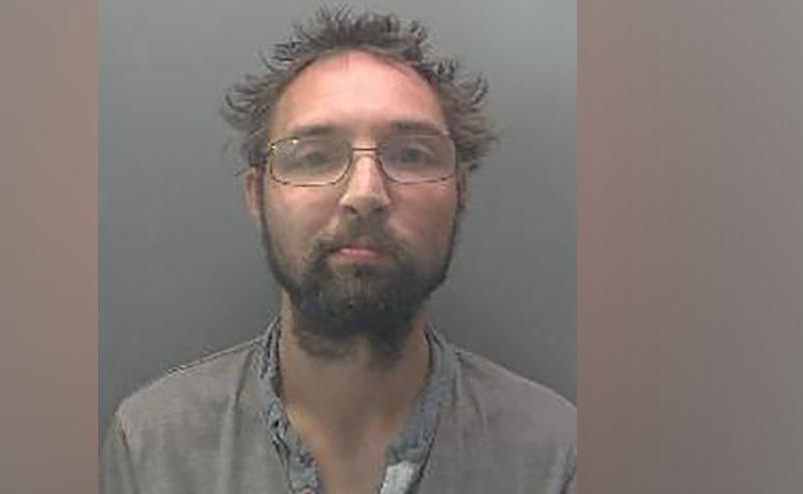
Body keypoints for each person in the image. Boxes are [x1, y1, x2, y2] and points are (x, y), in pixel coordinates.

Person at [102, 7, 575, 494]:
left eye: (411, 154)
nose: (365, 193)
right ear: (256, 197)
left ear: (460, 194)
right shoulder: (152, 446)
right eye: (315, 156)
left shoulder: (555, 455)